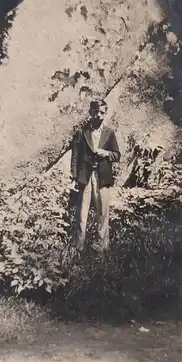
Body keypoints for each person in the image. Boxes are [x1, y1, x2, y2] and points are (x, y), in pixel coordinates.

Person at [70, 99, 121, 252]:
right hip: (85, 176)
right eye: (95, 112)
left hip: (103, 177)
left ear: (105, 114)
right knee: (82, 212)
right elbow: (75, 156)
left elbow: (117, 155)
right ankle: (78, 246)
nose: (98, 115)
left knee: (103, 211)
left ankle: (101, 247)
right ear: (90, 112)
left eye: (102, 113)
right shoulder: (81, 132)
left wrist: (106, 153)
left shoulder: (109, 133)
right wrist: (73, 177)